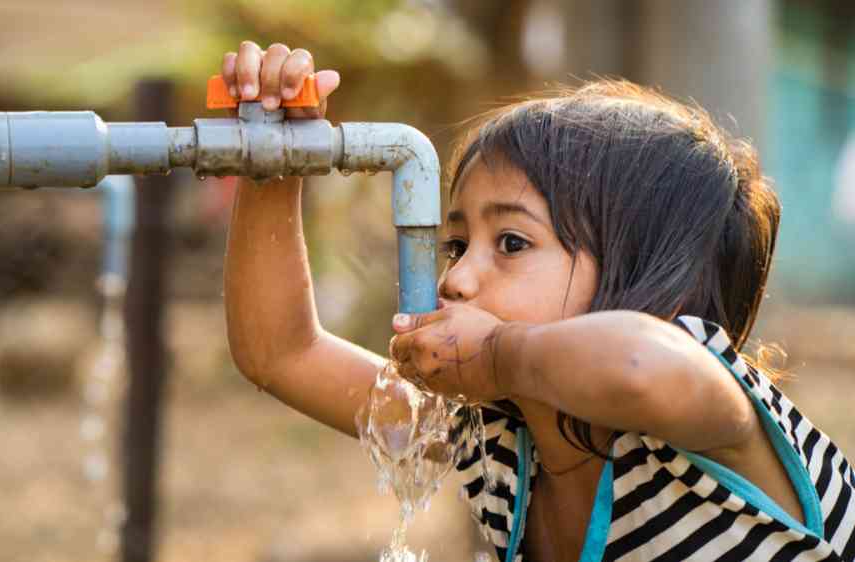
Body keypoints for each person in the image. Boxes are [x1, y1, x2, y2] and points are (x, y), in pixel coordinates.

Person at [221, 41, 855, 561]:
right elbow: (282, 352)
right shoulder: (500, 436)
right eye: (456, 245)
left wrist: (499, 352)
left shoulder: (711, 419)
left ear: (648, 279)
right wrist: (273, 164)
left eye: (512, 242)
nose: (457, 280)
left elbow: (636, 367)